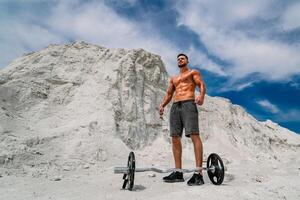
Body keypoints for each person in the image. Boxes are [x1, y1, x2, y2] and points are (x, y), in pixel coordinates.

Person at [159, 53, 206, 186]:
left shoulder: (193, 72)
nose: (180, 60)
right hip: (175, 106)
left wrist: (201, 96)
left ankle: (198, 173)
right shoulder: (174, 78)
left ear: (187, 61)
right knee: (175, 137)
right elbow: (169, 94)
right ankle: (178, 172)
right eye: (178, 59)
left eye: (182, 58)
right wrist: (162, 105)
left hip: (188, 103)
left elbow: (201, 84)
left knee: (194, 135)